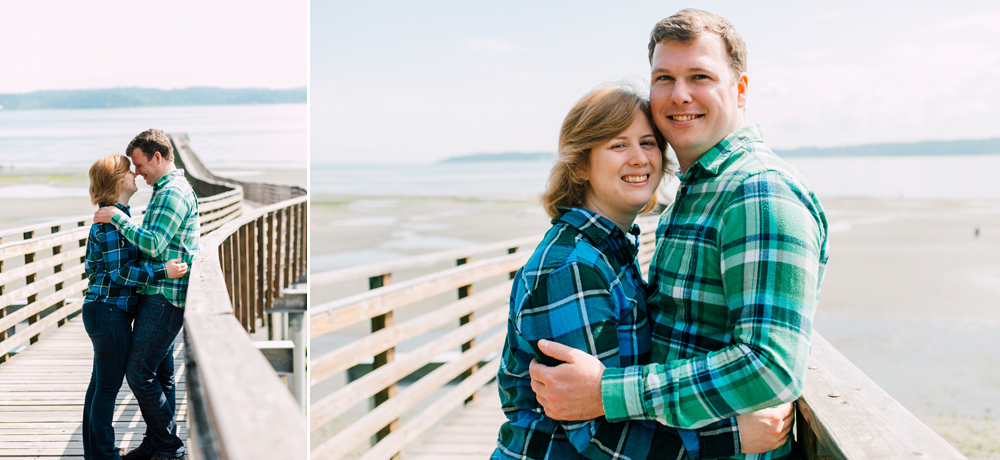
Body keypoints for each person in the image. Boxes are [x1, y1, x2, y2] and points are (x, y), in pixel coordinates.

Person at [530, 9, 829, 459]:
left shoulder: (759, 193)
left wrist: (609, 392)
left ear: (740, 89)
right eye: (664, 78)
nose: (680, 94)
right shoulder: (693, 194)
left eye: (700, 76)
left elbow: (772, 368)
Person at [493, 85, 792, 460]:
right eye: (618, 145)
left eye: (648, 143)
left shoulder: (612, 250)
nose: (639, 158)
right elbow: (594, 431)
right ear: (581, 166)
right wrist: (730, 437)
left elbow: (606, 398)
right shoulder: (572, 267)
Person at [94, 129, 199, 460]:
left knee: (139, 372)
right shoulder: (164, 190)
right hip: (156, 290)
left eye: (140, 165)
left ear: (157, 157)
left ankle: (169, 445)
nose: (137, 172)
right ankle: (157, 445)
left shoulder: (172, 194)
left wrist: (116, 218)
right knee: (161, 373)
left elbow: (153, 243)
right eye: (133, 168)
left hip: (164, 295)